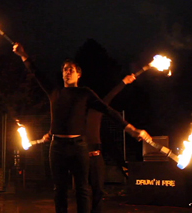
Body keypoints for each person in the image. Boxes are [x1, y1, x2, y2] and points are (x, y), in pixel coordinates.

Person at [13, 42, 152, 213]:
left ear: (78, 74)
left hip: (79, 147)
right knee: (60, 190)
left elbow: (108, 109)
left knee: (82, 189)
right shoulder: (55, 92)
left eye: (71, 69)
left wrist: (130, 128)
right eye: (65, 69)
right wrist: (23, 55)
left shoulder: (85, 93)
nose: (68, 72)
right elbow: (36, 73)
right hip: (57, 148)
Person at [86, 73, 136, 213]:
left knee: (98, 190)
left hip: (96, 155)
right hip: (80, 155)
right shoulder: (76, 113)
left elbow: (110, 96)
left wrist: (124, 82)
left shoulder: (97, 108)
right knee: (82, 190)